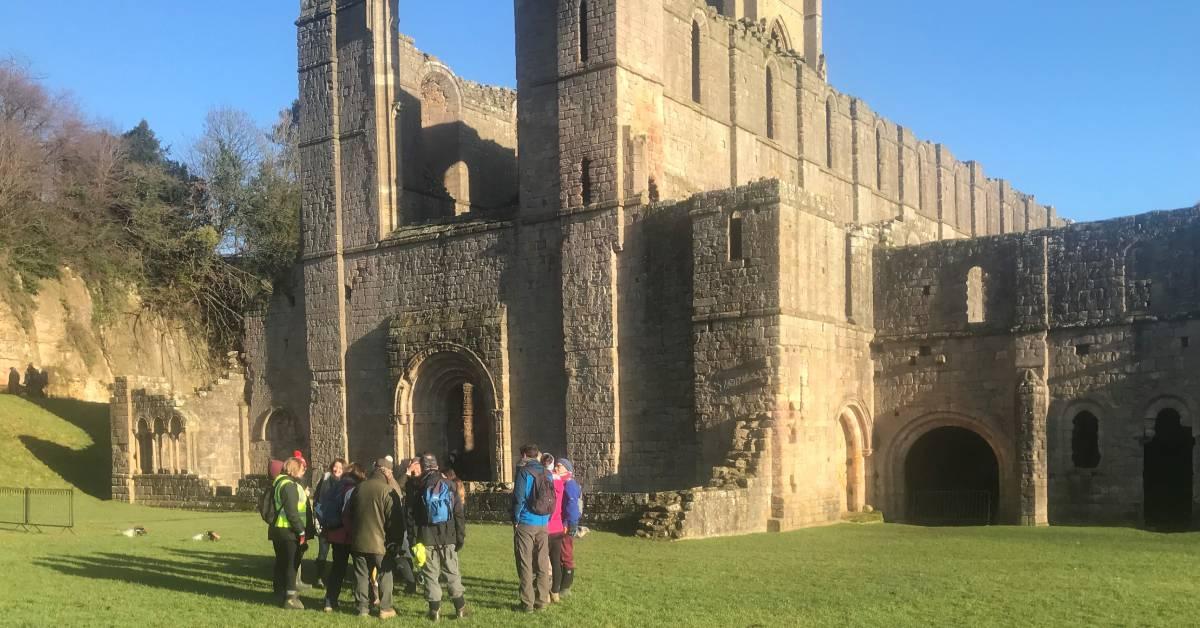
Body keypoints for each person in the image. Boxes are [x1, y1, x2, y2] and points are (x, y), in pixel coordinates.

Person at [409, 453, 469, 621]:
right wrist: (460, 537)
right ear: (436, 465)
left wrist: (413, 540)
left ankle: (434, 611)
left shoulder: (418, 487)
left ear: (423, 466)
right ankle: (460, 608)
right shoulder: (450, 485)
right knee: (452, 573)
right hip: (449, 537)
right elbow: (459, 515)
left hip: (426, 538)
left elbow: (411, 517)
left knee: (430, 575)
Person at [348, 457, 406, 619]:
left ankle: (362, 609)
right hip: (381, 543)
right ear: (387, 473)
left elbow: (349, 513)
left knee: (361, 575)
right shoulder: (388, 491)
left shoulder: (359, 488)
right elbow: (395, 521)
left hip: (359, 540)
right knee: (385, 575)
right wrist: (396, 542)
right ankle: (385, 608)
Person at [268, 457, 315, 610]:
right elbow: (292, 513)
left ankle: (280, 593)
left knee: (282, 563)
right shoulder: (289, 486)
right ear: (295, 469)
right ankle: (290, 598)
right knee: (291, 564)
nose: (304, 471)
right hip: (289, 531)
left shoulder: (279, 482)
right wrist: (301, 531)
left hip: (278, 531)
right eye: (302, 468)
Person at [512, 443, 552, 612]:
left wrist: (515, 518)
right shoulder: (547, 472)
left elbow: (519, 498)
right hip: (543, 522)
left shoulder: (524, 472)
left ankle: (527, 603)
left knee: (525, 562)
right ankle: (543, 600)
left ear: (524, 456)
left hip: (527, 522)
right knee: (542, 562)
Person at [323, 462, 365, 613]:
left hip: (335, 534)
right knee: (360, 569)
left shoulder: (335, 486)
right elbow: (347, 515)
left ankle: (329, 601)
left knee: (337, 569)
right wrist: (353, 532)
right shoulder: (353, 489)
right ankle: (362, 602)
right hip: (348, 534)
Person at [550, 458, 582, 600]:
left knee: (566, 554)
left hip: (566, 524)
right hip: (560, 524)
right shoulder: (560, 482)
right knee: (560, 554)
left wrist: (571, 524)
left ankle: (565, 587)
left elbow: (572, 507)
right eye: (556, 465)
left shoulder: (570, 484)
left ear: (567, 469)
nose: (557, 467)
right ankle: (559, 584)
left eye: (560, 466)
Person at [313, 458, 346, 588]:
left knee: (338, 552)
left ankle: (336, 579)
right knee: (323, 551)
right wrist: (318, 515)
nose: (337, 470)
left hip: (339, 523)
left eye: (340, 468)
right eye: (335, 467)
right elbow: (316, 499)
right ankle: (319, 578)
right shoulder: (325, 479)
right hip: (325, 521)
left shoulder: (345, 483)